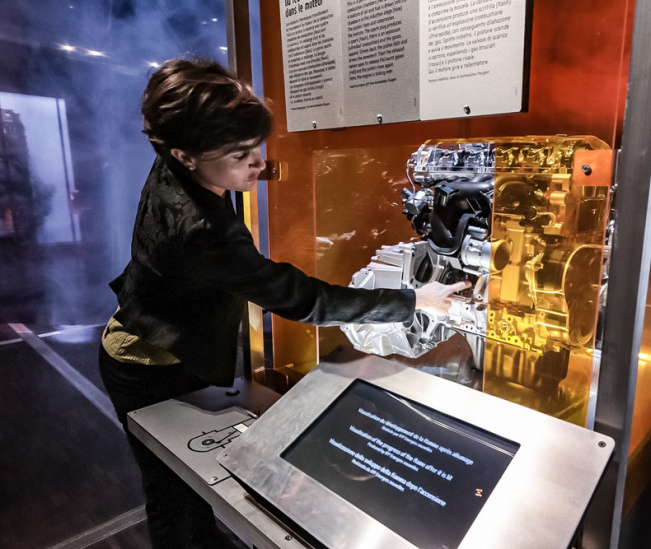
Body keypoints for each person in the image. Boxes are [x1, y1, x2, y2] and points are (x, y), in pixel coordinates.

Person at [98, 57, 468, 548]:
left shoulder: (175, 154)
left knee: (183, 487)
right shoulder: (203, 230)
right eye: (239, 154)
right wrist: (412, 300)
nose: (257, 162)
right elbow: (299, 299)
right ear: (186, 156)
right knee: (174, 494)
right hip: (150, 361)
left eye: (257, 148)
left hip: (163, 337)